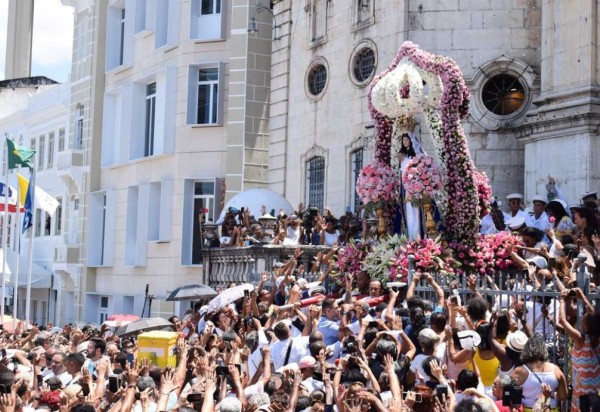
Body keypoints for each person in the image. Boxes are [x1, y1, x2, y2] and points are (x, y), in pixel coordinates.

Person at [511, 334, 568, 411]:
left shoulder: (519, 372)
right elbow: (563, 396)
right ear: (544, 350)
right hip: (551, 409)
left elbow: (510, 397)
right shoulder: (556, 370)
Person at [397, 132, 424, 240]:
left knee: (416, 209)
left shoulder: (415, 155)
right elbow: (401, 172)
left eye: (407, 140)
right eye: (403, 141)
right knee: (408, 210)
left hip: (415, 185)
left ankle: (418, 235)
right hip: (405, 186)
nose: (405, 142)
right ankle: (410, 236)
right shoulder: (402, 155)